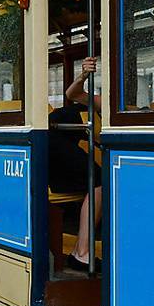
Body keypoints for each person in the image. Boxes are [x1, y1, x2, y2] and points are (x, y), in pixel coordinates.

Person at [49, 56, 101, 271]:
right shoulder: (111, 103)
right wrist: (83, 75)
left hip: (64, 141)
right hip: (54, 138)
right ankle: (81, 253)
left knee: (100, 178)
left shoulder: (127, 109)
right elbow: (73, 93)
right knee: (99, 181)